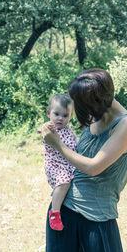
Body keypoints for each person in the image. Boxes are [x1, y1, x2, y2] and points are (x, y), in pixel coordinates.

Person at [42, 68, 127, 252]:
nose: (77, 110)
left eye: (80, 104)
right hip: (65, 210)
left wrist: (58, 145)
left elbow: (93, 167)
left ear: (96, 100)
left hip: (96, 216)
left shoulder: (126, 124)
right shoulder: (95, 115)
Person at [43, 93, 78, 231]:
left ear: (70, 116)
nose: (60, 118)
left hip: (68, 165)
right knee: (64, 182)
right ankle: (55, 213)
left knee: (68, 182)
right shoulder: (51, 128)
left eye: (65, 116)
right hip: (56, 165)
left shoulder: (68, 129)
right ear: (48, 113)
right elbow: (45, 132)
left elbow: (75, 141)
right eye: (56, 114)